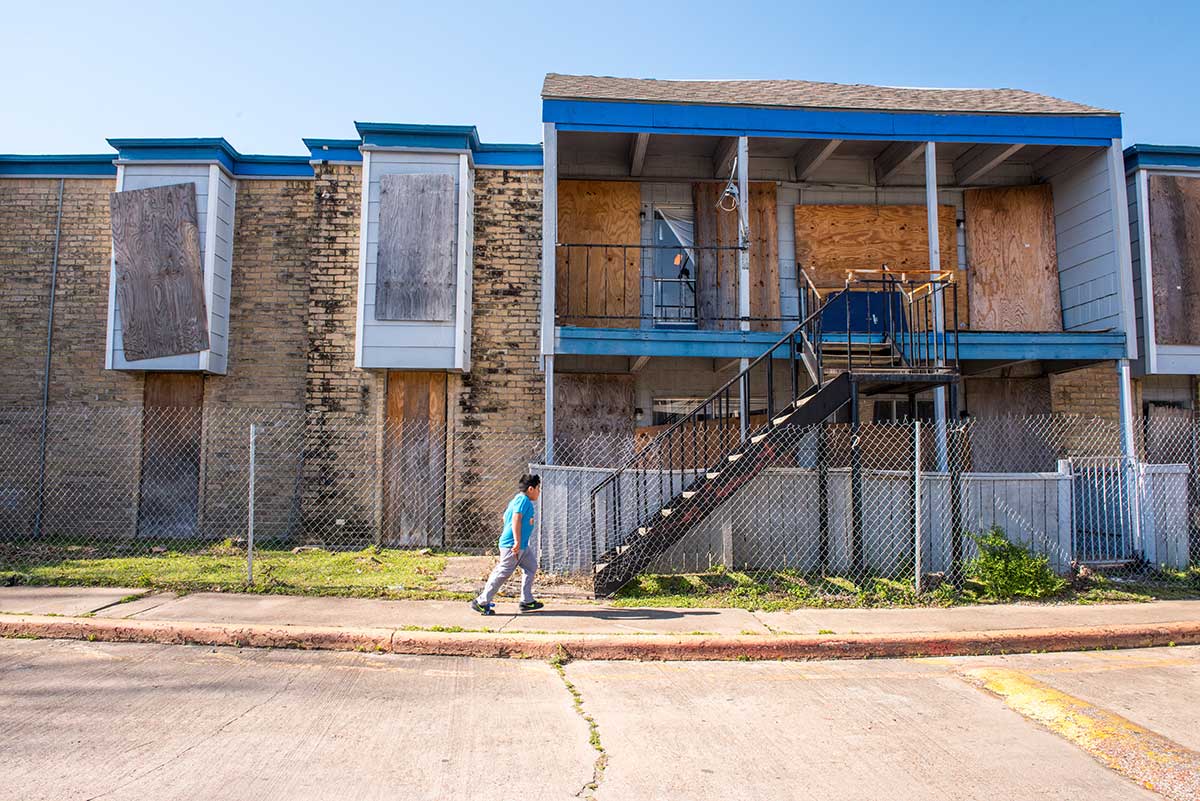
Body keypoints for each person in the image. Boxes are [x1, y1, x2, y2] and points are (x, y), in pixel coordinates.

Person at [470, 474, 543, 615]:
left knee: (531, 566)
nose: (539, 492)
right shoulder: (523, 500)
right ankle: (481, 602)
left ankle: (526, 601)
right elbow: (516, 518)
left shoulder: (517, 499)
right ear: (531, 489)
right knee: (503, 572)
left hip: (521, 546)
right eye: (538, 488)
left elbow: (505, 517)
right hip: (513, 545)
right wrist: (515, 540)